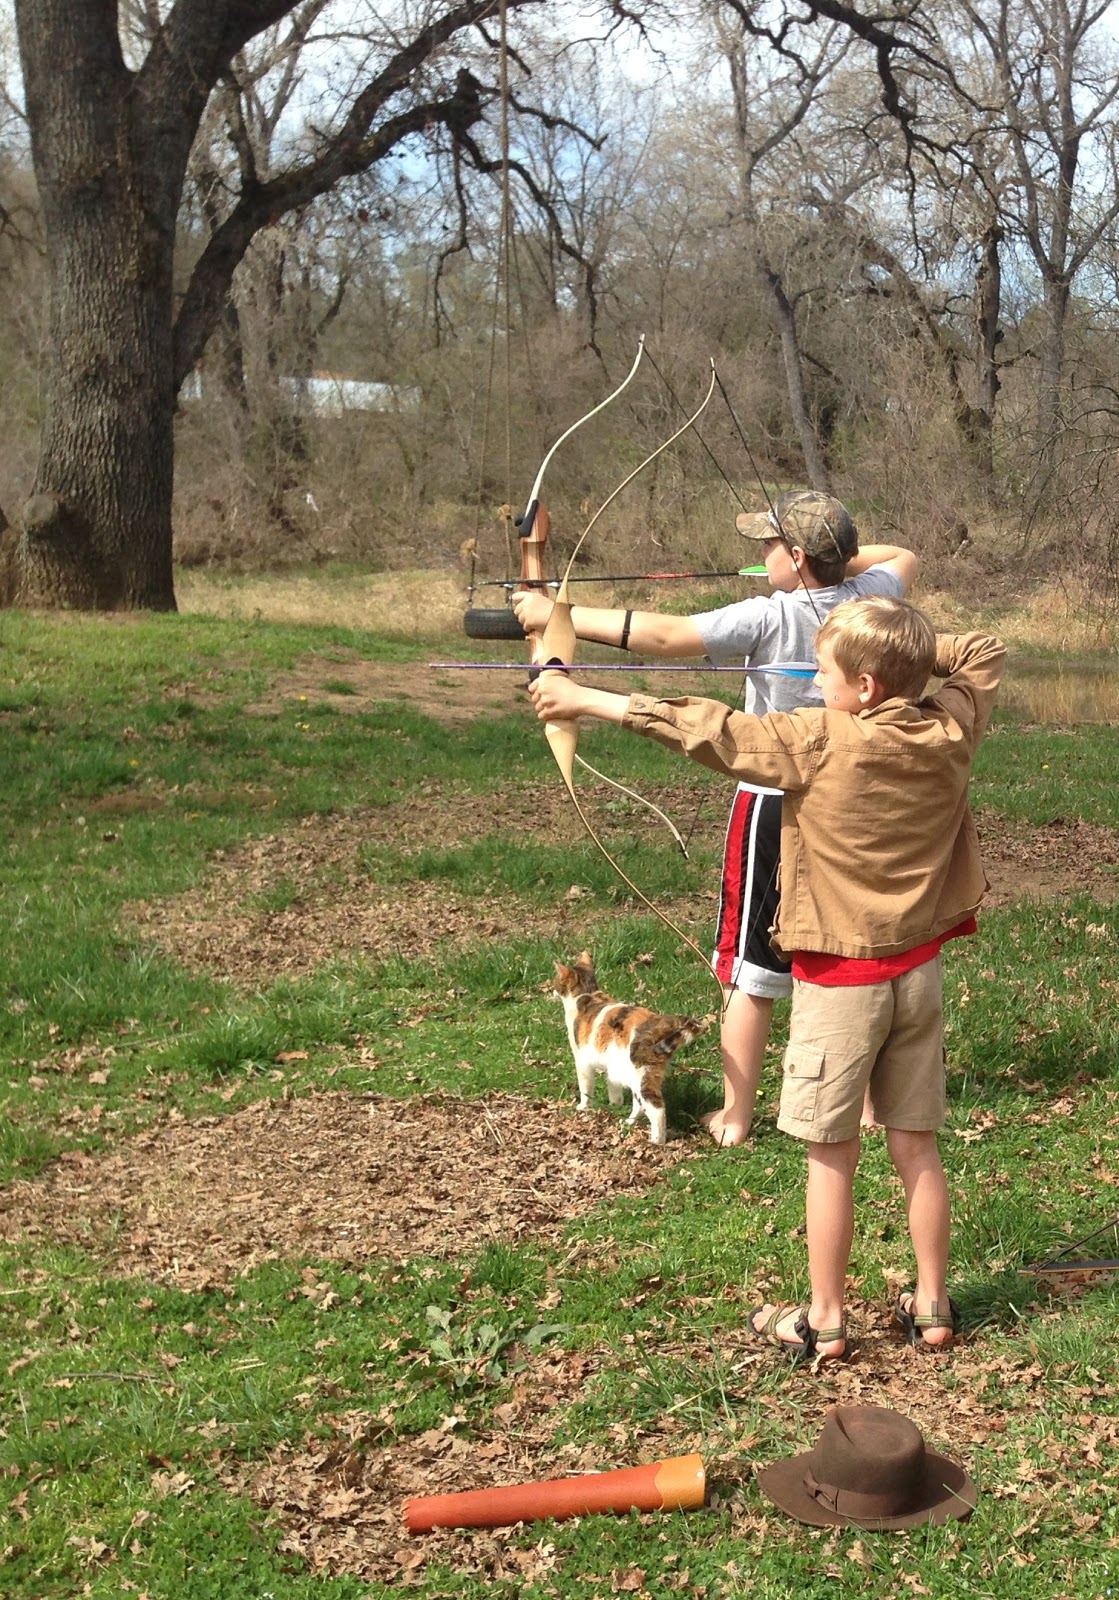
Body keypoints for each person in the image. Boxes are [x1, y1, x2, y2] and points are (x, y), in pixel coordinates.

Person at [527, 595, 1006, 1360]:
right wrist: (908, 653)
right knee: (916, 1146)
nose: (811, 679)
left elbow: (707, 728)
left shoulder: (814, 738)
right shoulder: (950, 725)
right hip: (918, 976)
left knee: (831, 1155)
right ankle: (933, 1304)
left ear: (866, 689)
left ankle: (823, 1318)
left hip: (840, 988)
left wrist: (583, 698)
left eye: (823, 671)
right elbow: (980, 647)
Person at [513, 491, 917, 1146]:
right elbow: (905, 554)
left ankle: (733, 1115)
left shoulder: (769, 615)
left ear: (792, 555)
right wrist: (835, 562)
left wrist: (555, 613)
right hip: (856, 801)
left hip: (770, 801)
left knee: (749, 971)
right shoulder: (875, 597)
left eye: (769, 547)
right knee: (853, 949)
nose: (758, 558)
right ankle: (871, 1105)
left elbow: (664, 636)